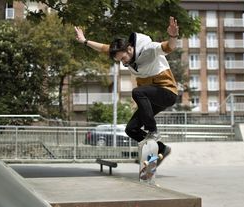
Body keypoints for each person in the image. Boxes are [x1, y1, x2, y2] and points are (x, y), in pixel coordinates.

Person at [75, 16, 179, 164]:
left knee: (138, 91)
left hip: (167, 92)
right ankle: (162, 149)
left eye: (123, 58)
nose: (123, 63)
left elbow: (168, 47)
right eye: (120, 61)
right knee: (131, 129)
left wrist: (173, 35)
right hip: (152, 98)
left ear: (130, 49)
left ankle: (153, 131)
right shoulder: (126, 55)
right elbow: (104, 48)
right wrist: (85, 41)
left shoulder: (149, 49)